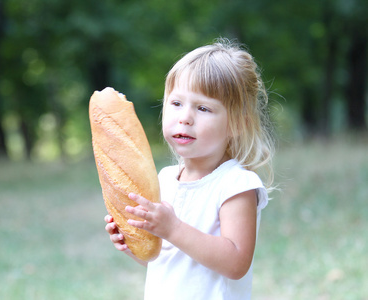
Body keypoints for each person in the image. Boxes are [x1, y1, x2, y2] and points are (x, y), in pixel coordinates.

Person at [104, 38, 275, 300]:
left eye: (203, 108)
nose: (185, 117)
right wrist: (134, 245)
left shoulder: (236, 185)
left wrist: (172, 228)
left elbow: (236, 263)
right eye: (176, 103)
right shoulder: (163, 180)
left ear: (237, 124)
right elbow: (167, 261)